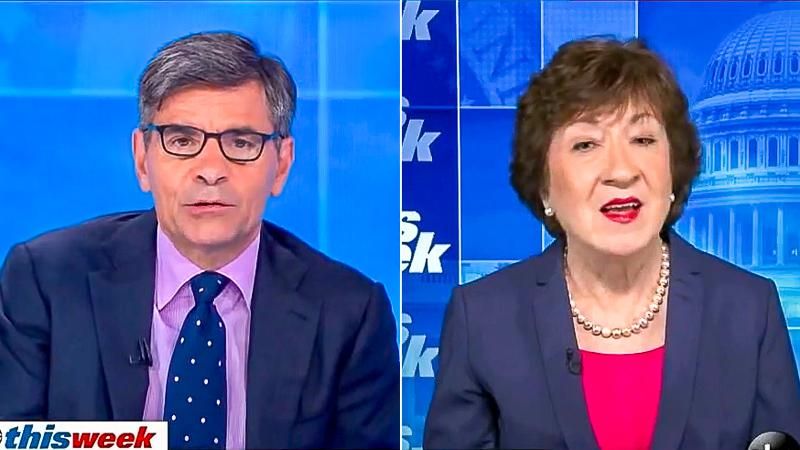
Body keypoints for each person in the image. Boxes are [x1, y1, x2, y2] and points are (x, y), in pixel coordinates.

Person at [0, 32, 399, 449]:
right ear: (142, 159)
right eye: (182, 141)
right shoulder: (47, 282)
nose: (211, 170)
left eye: (240, 142)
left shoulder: (349, 314)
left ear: (281, 165)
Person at [423, 37, 800, 450]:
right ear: (545, 187)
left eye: (643, 140)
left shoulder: (749, 309)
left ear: (673, 171)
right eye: (586, 144)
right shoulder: (483, 318)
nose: (621, 171)